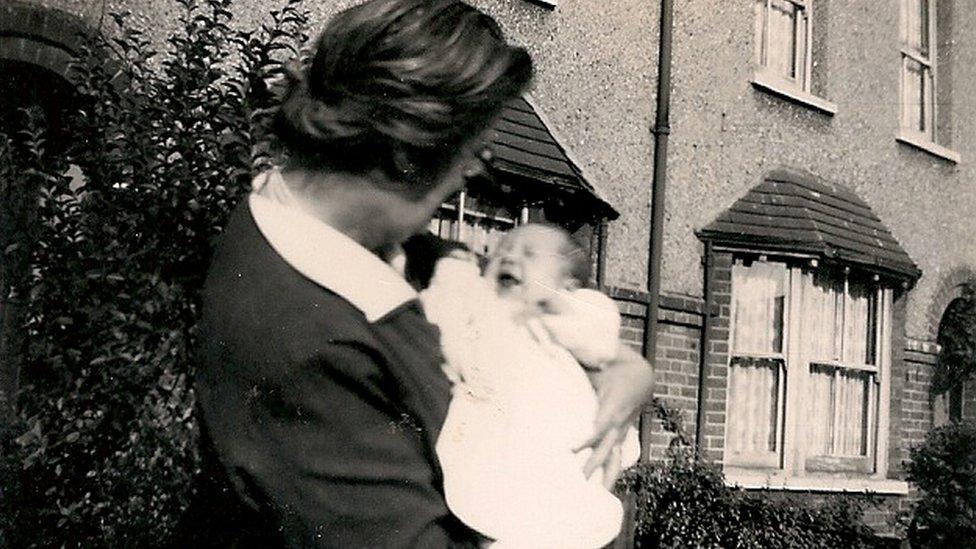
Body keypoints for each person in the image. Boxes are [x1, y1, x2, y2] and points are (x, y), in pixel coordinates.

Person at [191, 1, 654, 547]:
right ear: (409, 155)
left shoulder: (374, 244)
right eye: (472, 151)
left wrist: (625, 368)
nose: (474, 170)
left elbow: (526, 305)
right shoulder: (304, 342)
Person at [421, 224, 641, 548]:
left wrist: (553, 304)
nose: (509, 255)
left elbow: (600, 333)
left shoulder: (565, 325)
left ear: (568, 286)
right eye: (500, 251)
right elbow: (444, 317)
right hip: (494, 457)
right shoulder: (482, 315)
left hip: (562, 461)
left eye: (529, 253)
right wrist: (454, 273)